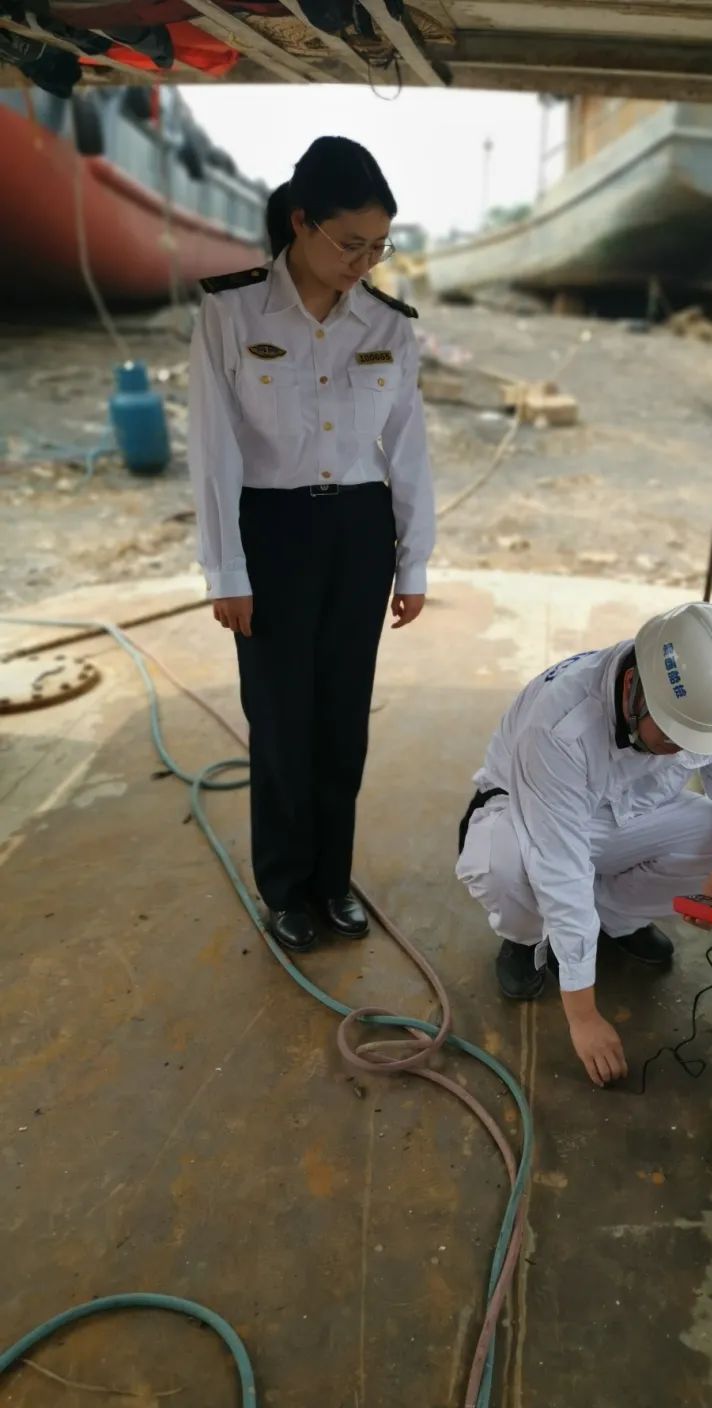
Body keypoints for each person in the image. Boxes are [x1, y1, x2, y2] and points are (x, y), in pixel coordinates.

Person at [188, 136, 434, 953]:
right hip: (272, 532)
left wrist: (414, 560)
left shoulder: (389, 325)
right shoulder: (231, 313)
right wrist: (225, 569)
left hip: (359, 532)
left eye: (378, 247)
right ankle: (286, 887)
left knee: (341, 718)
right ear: (301, 222)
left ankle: (333, 881)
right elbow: (213, 450)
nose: (363, 263)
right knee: (280, 718)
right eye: (350, 243)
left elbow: (408, 449)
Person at [455, 602, 712, 1087]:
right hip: (529, 814)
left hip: (623, 815)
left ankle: (612, 920)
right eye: (674, 736)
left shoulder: (706, 704)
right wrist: (583, 1016)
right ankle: (527, 940)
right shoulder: (558, 725)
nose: (684, 748)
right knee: (502, 862)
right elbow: (560, 865)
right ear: (634, 687)